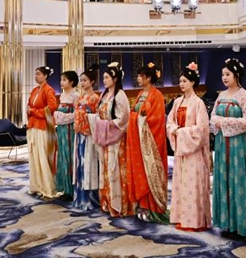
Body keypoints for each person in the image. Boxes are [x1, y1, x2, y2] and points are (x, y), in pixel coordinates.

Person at [210, 58, 246, 239]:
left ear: (237, 75)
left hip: (240, 146)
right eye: (222, 75)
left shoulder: (244, 96)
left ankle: (243, 225)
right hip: (222, 144)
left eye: (228, 74)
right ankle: (227, 223)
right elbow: (212, 116)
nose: (224, 78)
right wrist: (217, 122)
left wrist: (223, 122)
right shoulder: (221, 96)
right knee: (224, 179)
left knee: (239, 180)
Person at [166, 62, 211, 231]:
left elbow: (202, 129)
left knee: (193, 185)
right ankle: (182, 218)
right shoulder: (177, 102)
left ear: (192, 82)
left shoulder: (198, 103)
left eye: (185, 81)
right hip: (181, 149)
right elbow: (169, 122)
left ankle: (196, 221)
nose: (181, 84)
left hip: (194, 152)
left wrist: (181, 132)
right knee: (181, 184)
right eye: (180, 81)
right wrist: (175, 130)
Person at [88, 62, 134, 217]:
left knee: (115, 169)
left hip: (116, 139)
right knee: (105, 169)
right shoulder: (104, 94)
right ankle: (107, 202)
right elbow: (99, 114)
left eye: (107, 77)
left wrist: (105, 124)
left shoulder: (120, 95)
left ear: (115, 79)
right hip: (105, 137)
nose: (104, 80)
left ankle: (119, 205)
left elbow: (123, 120)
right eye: (103, 78)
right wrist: (96, 120)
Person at [127, 63, 169, 223]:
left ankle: (153, 207)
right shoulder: (140, 94)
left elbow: (157, 120)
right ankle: (142, 205)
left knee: (150, 172)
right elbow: (135, 112)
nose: (138, 78)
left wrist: (137, 119)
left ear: (149, 78)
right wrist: (135, 117)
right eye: (138, 76)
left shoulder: (157, 95)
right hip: (139, 140)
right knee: (140, 172)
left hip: (151, 143)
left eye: (140, 76)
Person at [27, 66, 60, 198]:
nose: (36, 76)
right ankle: (37, 185)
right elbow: (29, 105)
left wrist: (34, 111)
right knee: (34, 156)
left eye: (39, 74)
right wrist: (30, 110)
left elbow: (52, 107)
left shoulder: (48, 90)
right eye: (35, 74)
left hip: (43, 126)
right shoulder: (35, 90)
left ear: (45, 76)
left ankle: (47, 186)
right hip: (33, 126)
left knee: (43, 156)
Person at [73, 64, 101, 210]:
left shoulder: (95, 98)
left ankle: (91, 199)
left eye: (85, 80)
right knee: (80, 165)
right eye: (81, 80)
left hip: (90, 135)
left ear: (92, 82)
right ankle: (80, 197)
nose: (82, 83)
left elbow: (99, 117)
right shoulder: (80, 98)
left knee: (89, 164)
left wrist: (87, 112)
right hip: (79, 135)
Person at [54, 71, 79, 199]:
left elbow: (77, 114)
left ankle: (71, 190)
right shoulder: (62, 96)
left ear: (72, 82)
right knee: (62, 156)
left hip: (70, 130)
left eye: (64, 80)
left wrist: (62, 117)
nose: (61, 82)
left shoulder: (76, 96)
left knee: (69, 155)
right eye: (61, 79)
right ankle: (64, 187)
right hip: (61, 129)